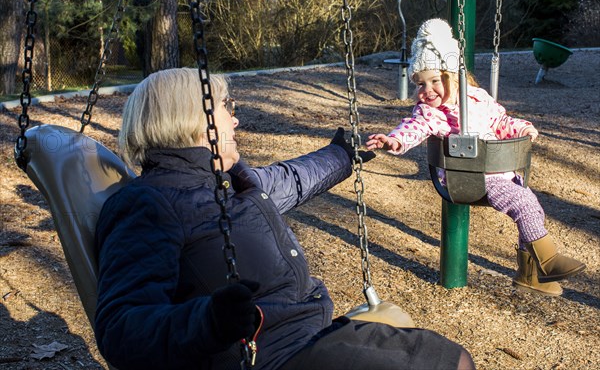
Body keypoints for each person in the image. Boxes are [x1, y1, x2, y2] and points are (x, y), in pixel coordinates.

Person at [94, 67, 475, 370]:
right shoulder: (150, 203)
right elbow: (121, 328)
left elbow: (290, 180)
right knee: (450, 364)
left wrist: (342, 156)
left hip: (308, 333)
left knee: (449, 356)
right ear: (192, 118)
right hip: (270, 356)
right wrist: (207, 322)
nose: (235, 120)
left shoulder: (230, 181)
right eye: (227, 106)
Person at [366, 18, 585, 297]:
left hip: (499, 172)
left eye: (435, 80)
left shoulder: (478, 98)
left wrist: (522, 128)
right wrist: (393, 140)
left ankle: (529, 275)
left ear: (454, 76)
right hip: (469, 177)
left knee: (532, 209)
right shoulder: (430, 113)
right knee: (523, 203)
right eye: (419, 84)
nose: (426, 90)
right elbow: (413, 128)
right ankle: (548, 259)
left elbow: (501, 121)